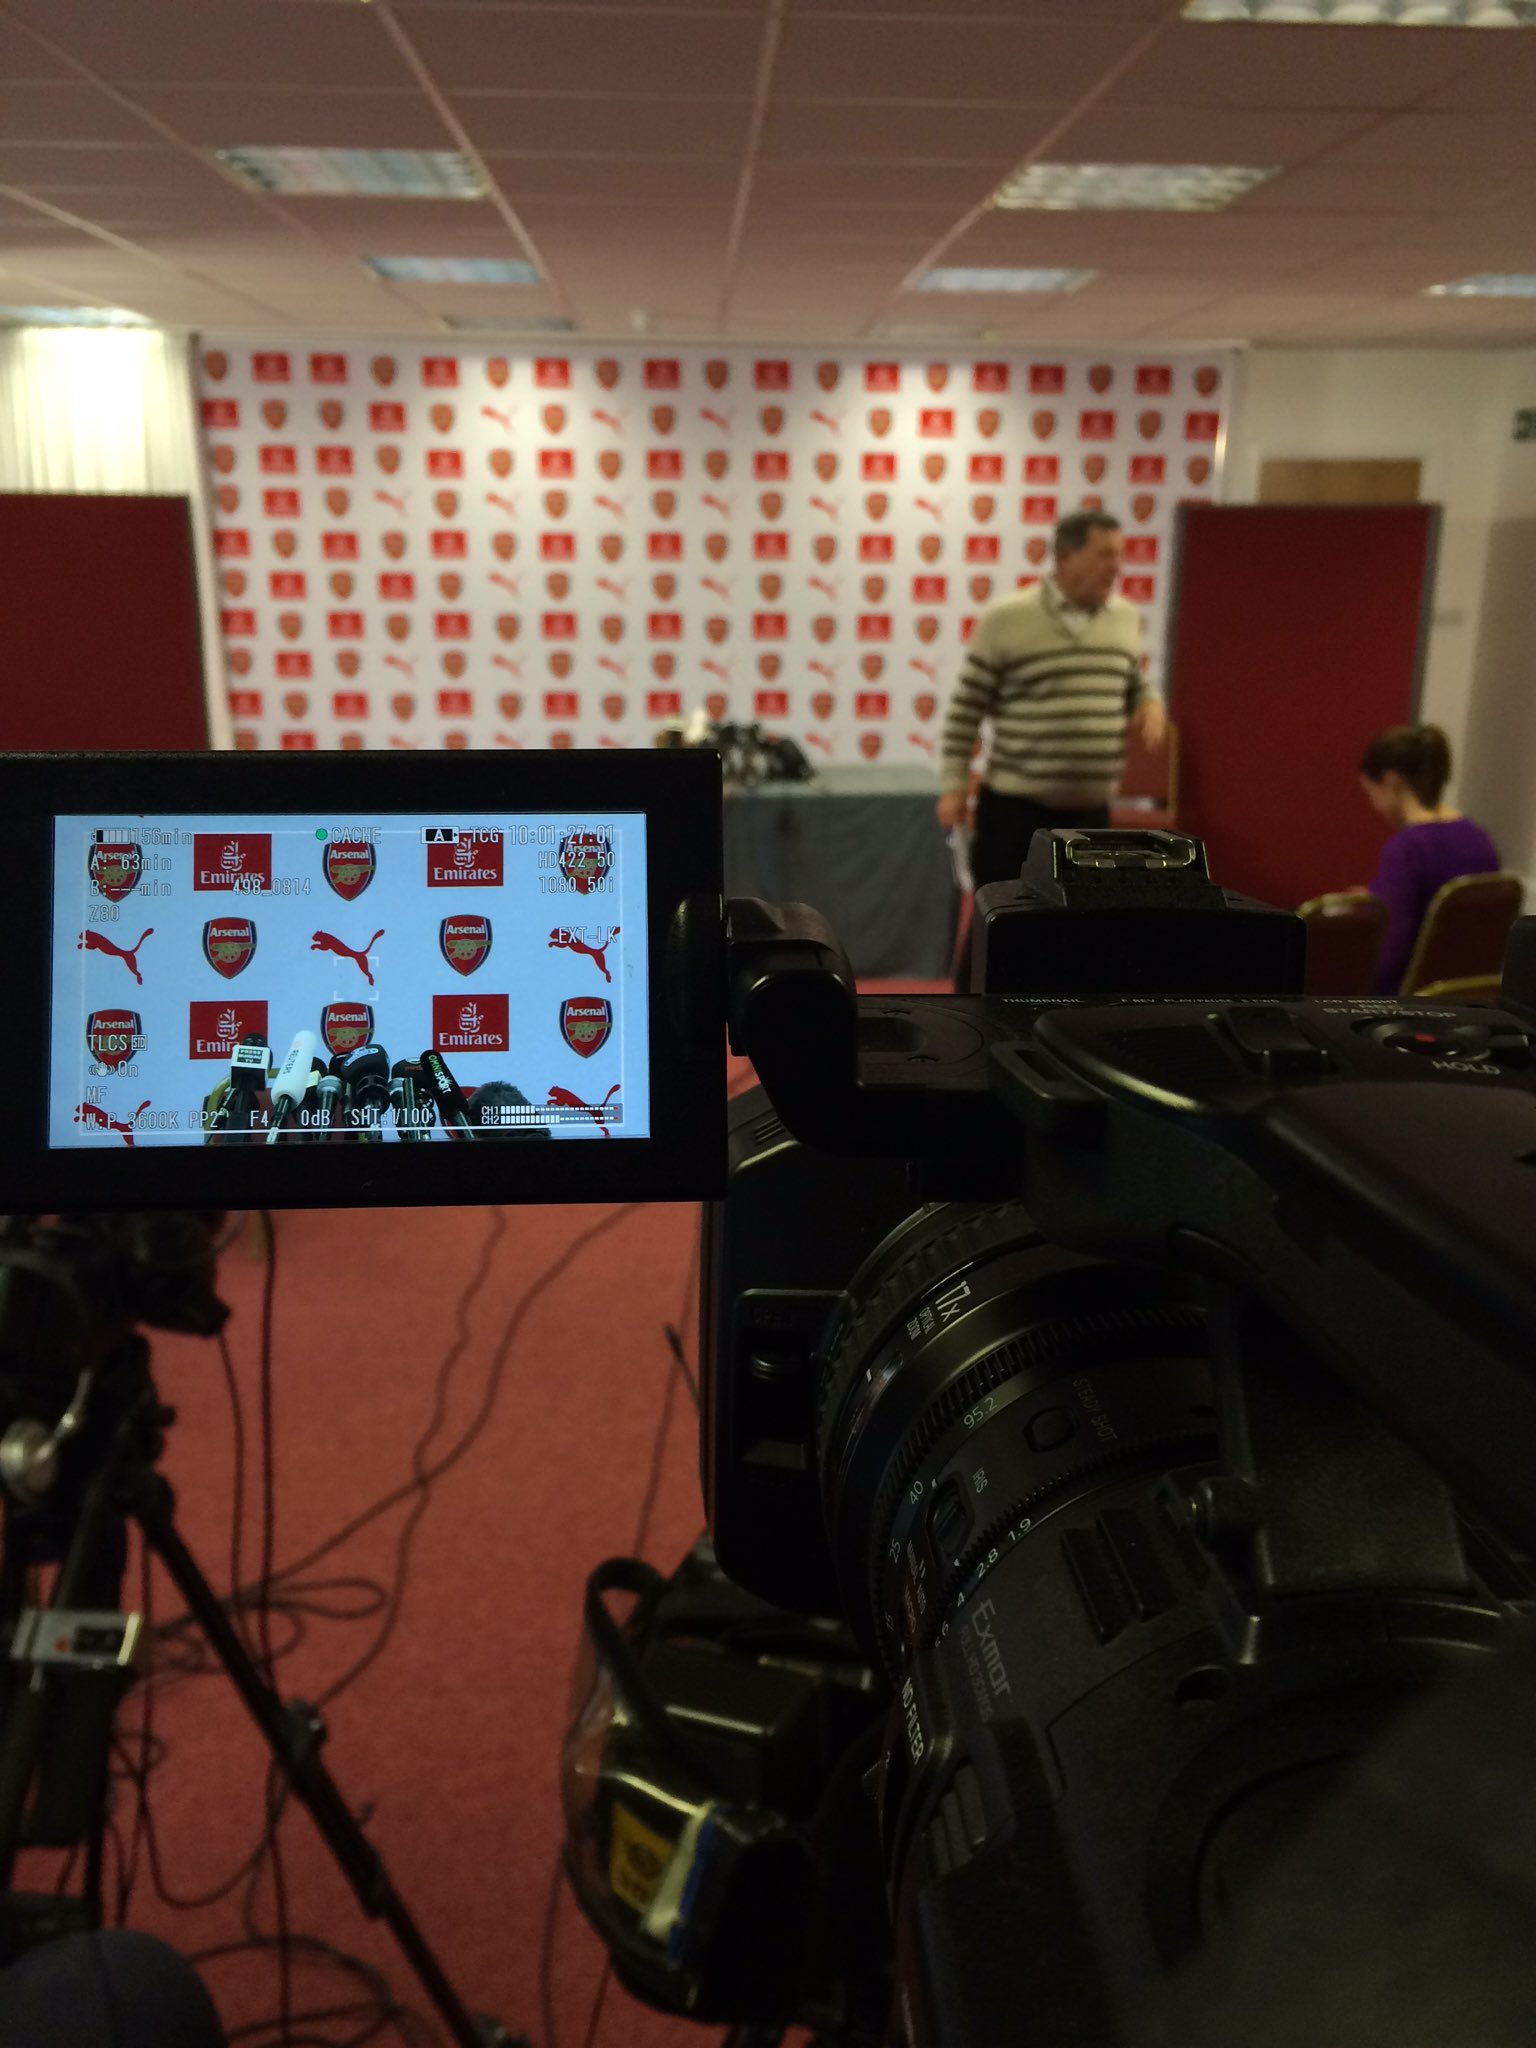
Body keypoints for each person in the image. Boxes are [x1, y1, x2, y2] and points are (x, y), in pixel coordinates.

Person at [936, 509, 1166, 895]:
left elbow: (1134, 682)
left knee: (1081, 925)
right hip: (1015, 815)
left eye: (1119, 555)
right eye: (1105, 554)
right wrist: (953, 787)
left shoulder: (1125, 617)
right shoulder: (1008, 618)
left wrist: (1150, 702)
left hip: (1091, 820)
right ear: (1065, 557)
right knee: (1008, 920)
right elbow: (965, 711)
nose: (1116, 566)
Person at [1358, 723, 1500, 997]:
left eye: (1371, 793)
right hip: (1469, 998)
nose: (1374, 806)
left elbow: (1390, 956)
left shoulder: (1407, 849)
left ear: (1391, 782)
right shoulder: (1480, 840)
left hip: (1409, 1004)